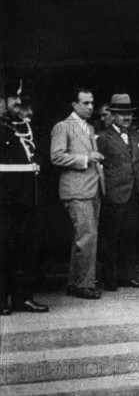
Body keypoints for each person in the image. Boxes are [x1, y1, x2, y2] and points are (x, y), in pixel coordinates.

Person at [50, 87, 105, 300]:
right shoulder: (63, 127)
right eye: (85, 103)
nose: (91, 107)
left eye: (92, 103)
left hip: (92, 189)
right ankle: (84, 284)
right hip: (76, 190)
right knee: (87, 236)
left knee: (83, 238)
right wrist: (85, 159)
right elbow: (56, 157)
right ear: (74, 104)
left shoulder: (89, 128)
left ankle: (75, 283)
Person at [0, 78, 49, 314]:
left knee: (25, 249)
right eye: (14, 98)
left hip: (28, 198)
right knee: (3, 249)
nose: (19, 102)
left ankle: (23, 297)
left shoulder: (27, 125)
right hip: (4, 199)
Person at [97, 94, 139, 291]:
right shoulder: (103, 137)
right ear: (113, 115)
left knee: (130, 235)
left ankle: (128, 276)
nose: (126, 117)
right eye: (122, 114)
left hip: (134, 193)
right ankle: (109, 279)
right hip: (114, 194)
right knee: (110, 237)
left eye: (129, 113)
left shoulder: (136, 136)